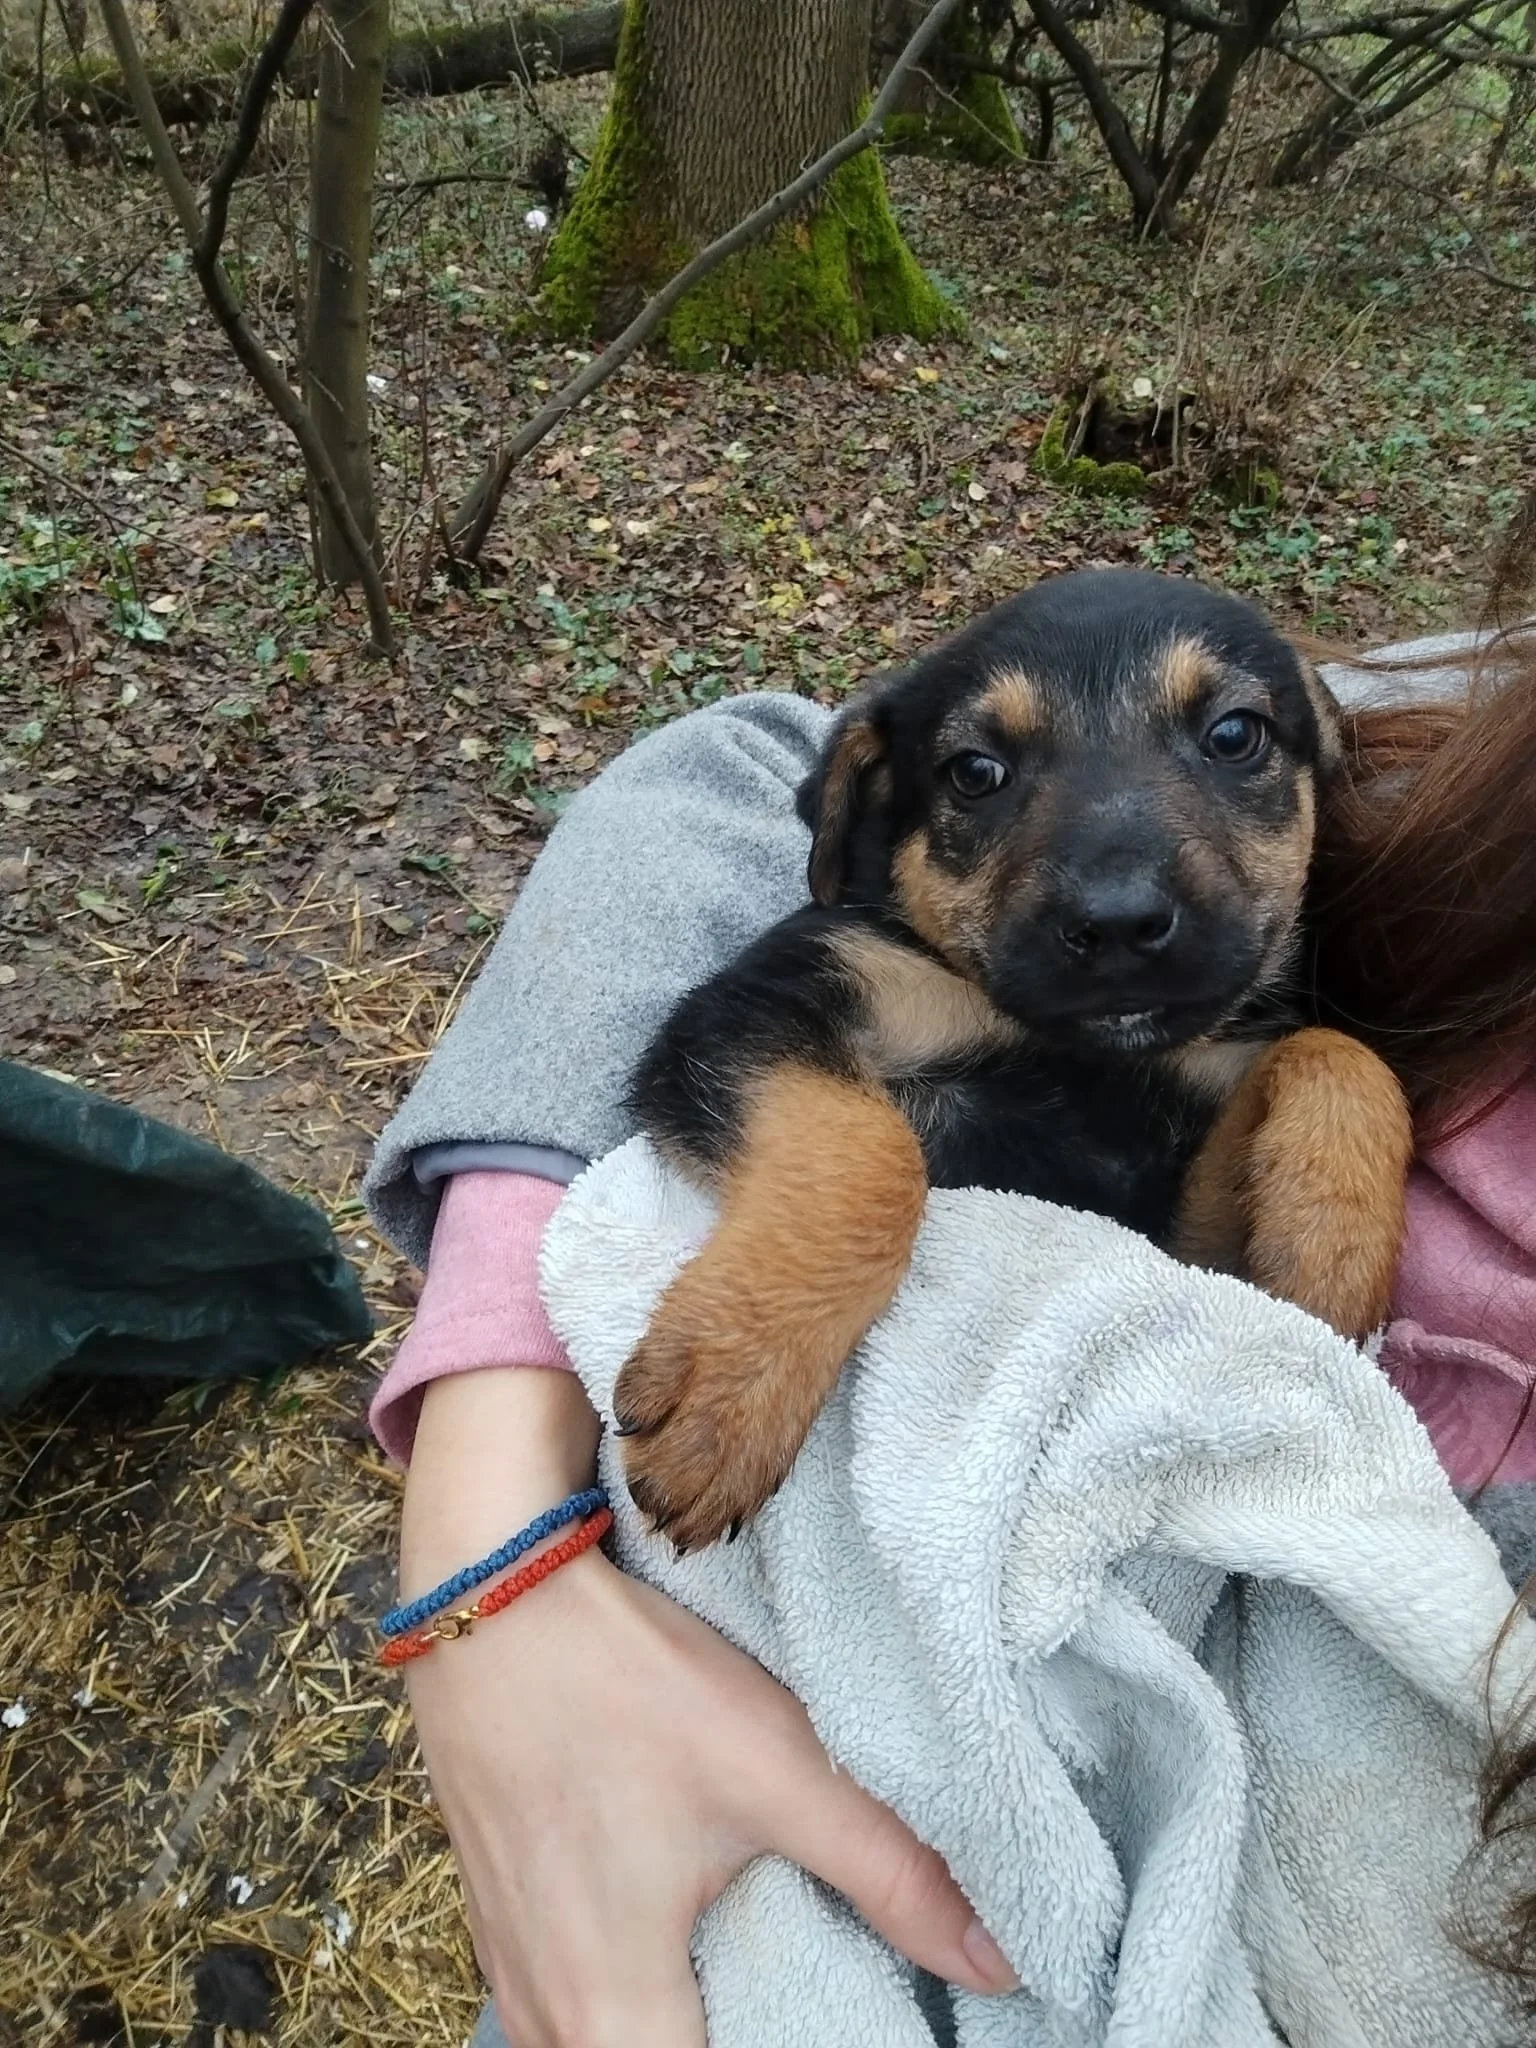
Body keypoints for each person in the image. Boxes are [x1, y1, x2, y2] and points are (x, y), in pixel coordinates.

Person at [362, 603, 1536, 2048]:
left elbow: (1218, 1286)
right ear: (883, 819)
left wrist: (1337, 1088)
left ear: (1306, 762)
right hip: (754, 1660)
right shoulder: (904, 964)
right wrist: (484, 1518)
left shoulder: (1266, 1038)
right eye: (983, 778)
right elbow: (720, 1003)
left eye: (1228, 742)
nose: (1114, 888)